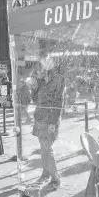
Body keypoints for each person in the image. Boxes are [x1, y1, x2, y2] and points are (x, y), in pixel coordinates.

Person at [30, 60, 64, 188]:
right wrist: (34, 86)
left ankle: (55, 177)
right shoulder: (41, 82)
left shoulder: (58, 80)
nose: (35, 73)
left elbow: (59, 102)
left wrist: (53, 122)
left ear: (44, 70)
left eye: (37, 70)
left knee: (47, 147)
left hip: (49, 118)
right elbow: (34, 100)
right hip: (40, 118)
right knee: (43, 147)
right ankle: (46, 172)